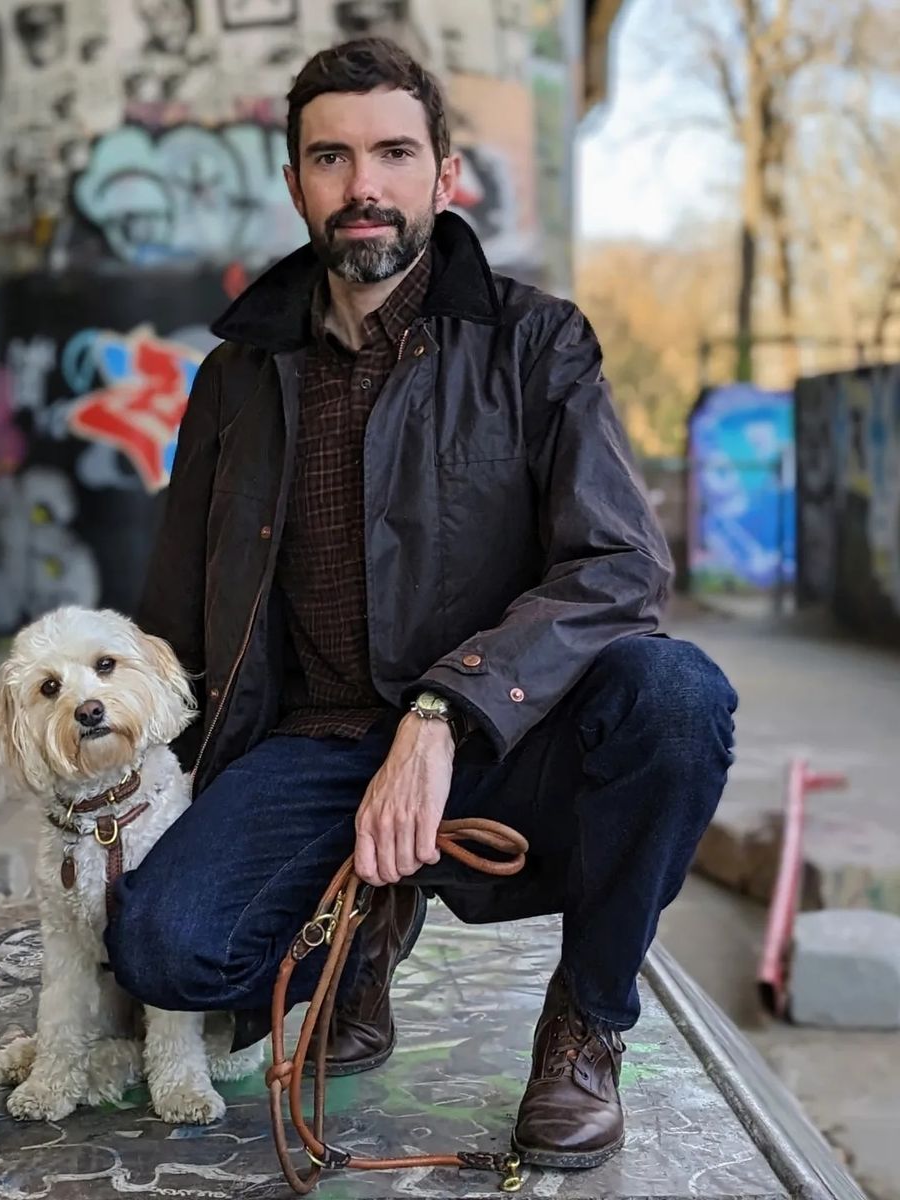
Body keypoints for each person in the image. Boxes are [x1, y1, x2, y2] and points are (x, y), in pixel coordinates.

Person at [108, 36, 737, 1170]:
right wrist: (121, 775)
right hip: (312, 746)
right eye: (332, 158)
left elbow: (620, 568)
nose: (365, 186)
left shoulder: (534, 341)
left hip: (503, 740)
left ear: (444, 178)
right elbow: (175, 624)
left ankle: (587, 1026)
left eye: (395, 153)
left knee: (676, 696)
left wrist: (448, 711)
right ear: (296, 181)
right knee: (161, 952)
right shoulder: (236, 380)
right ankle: (365, 932)